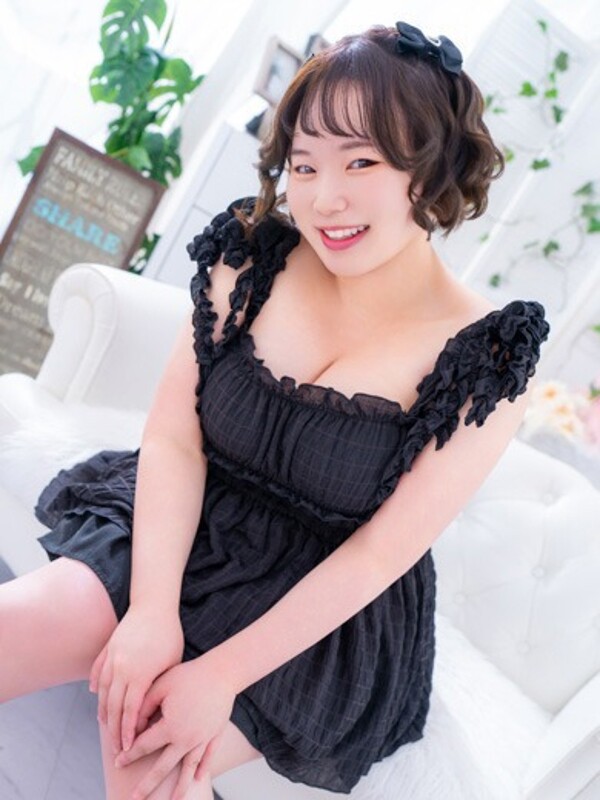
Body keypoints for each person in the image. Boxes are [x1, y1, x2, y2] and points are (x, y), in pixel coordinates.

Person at [0, 20, 550, 800]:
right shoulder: (253, 254)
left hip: (322, 598)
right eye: (304, 164)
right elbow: (175, 439)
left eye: (361, 161)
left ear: (427, 170)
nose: (325, 198)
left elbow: (378, 556)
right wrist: (150, 611)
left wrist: (218, 675)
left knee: (149, 760)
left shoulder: (486, 356)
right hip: (192, 511)